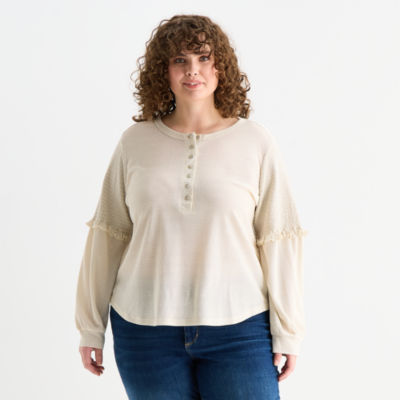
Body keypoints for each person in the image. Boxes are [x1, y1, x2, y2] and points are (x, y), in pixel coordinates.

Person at [75, 14, 307, 400]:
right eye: (179, 60)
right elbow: (109, 236)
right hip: (144, 329)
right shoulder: (135, 143)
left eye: (203, 57)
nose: (192, 70)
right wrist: (90, 327)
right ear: (163, 71)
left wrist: (288, 330)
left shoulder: (255, 142)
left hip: (240, 328)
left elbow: (277, 238)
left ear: (221, 67)